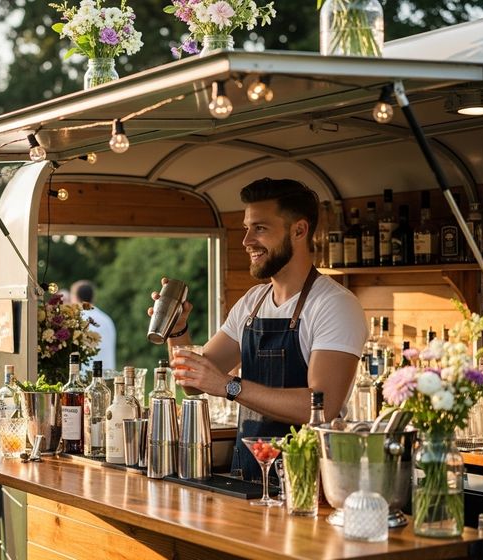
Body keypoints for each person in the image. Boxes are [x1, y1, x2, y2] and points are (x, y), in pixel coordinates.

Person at [151, 178, 367, 481]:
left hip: (305, 483)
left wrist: (230, 386)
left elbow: (322, 407)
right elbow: (193, 383)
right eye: (246, 228)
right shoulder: (252, 302)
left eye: (260, 229)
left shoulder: (334, 305)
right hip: (249, 476)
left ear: (299, 230)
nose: (246, 241)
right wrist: (178, 331)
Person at [71, 280, 117, 371]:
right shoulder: (107, 319)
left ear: (75, 297)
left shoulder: (76, 320)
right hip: (108, 375)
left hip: (85, 378)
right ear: (93, 297)